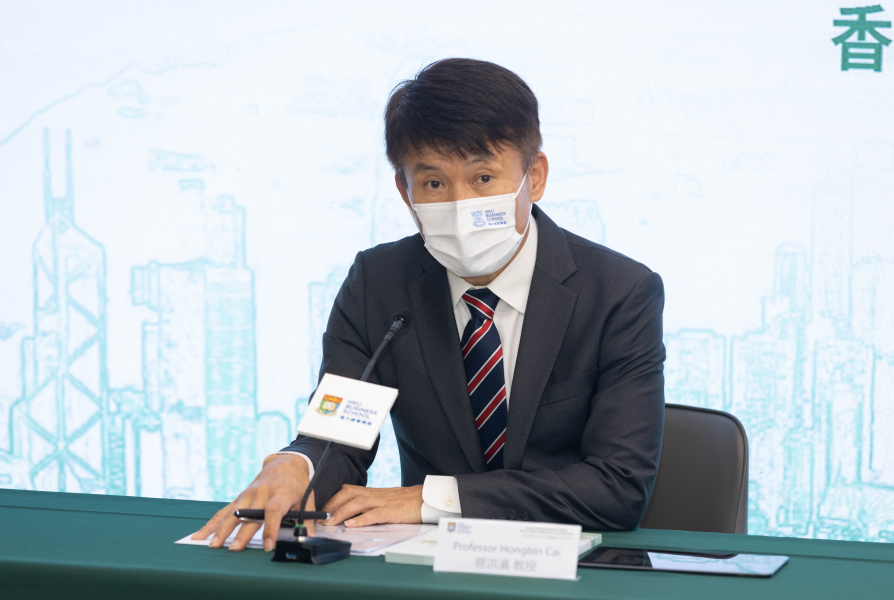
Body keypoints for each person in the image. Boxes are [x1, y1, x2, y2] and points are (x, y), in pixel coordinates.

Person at [193, 58, 666, 552]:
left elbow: (618, 487)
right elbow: (341, 436)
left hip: (573, 569)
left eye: (483, 178)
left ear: (536, 177)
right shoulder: (379, 284)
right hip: (425, 570)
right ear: (405, 190)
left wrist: (431, 499)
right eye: (435, 184)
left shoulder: (619, 293)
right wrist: (299, 464)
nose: (460, 206)